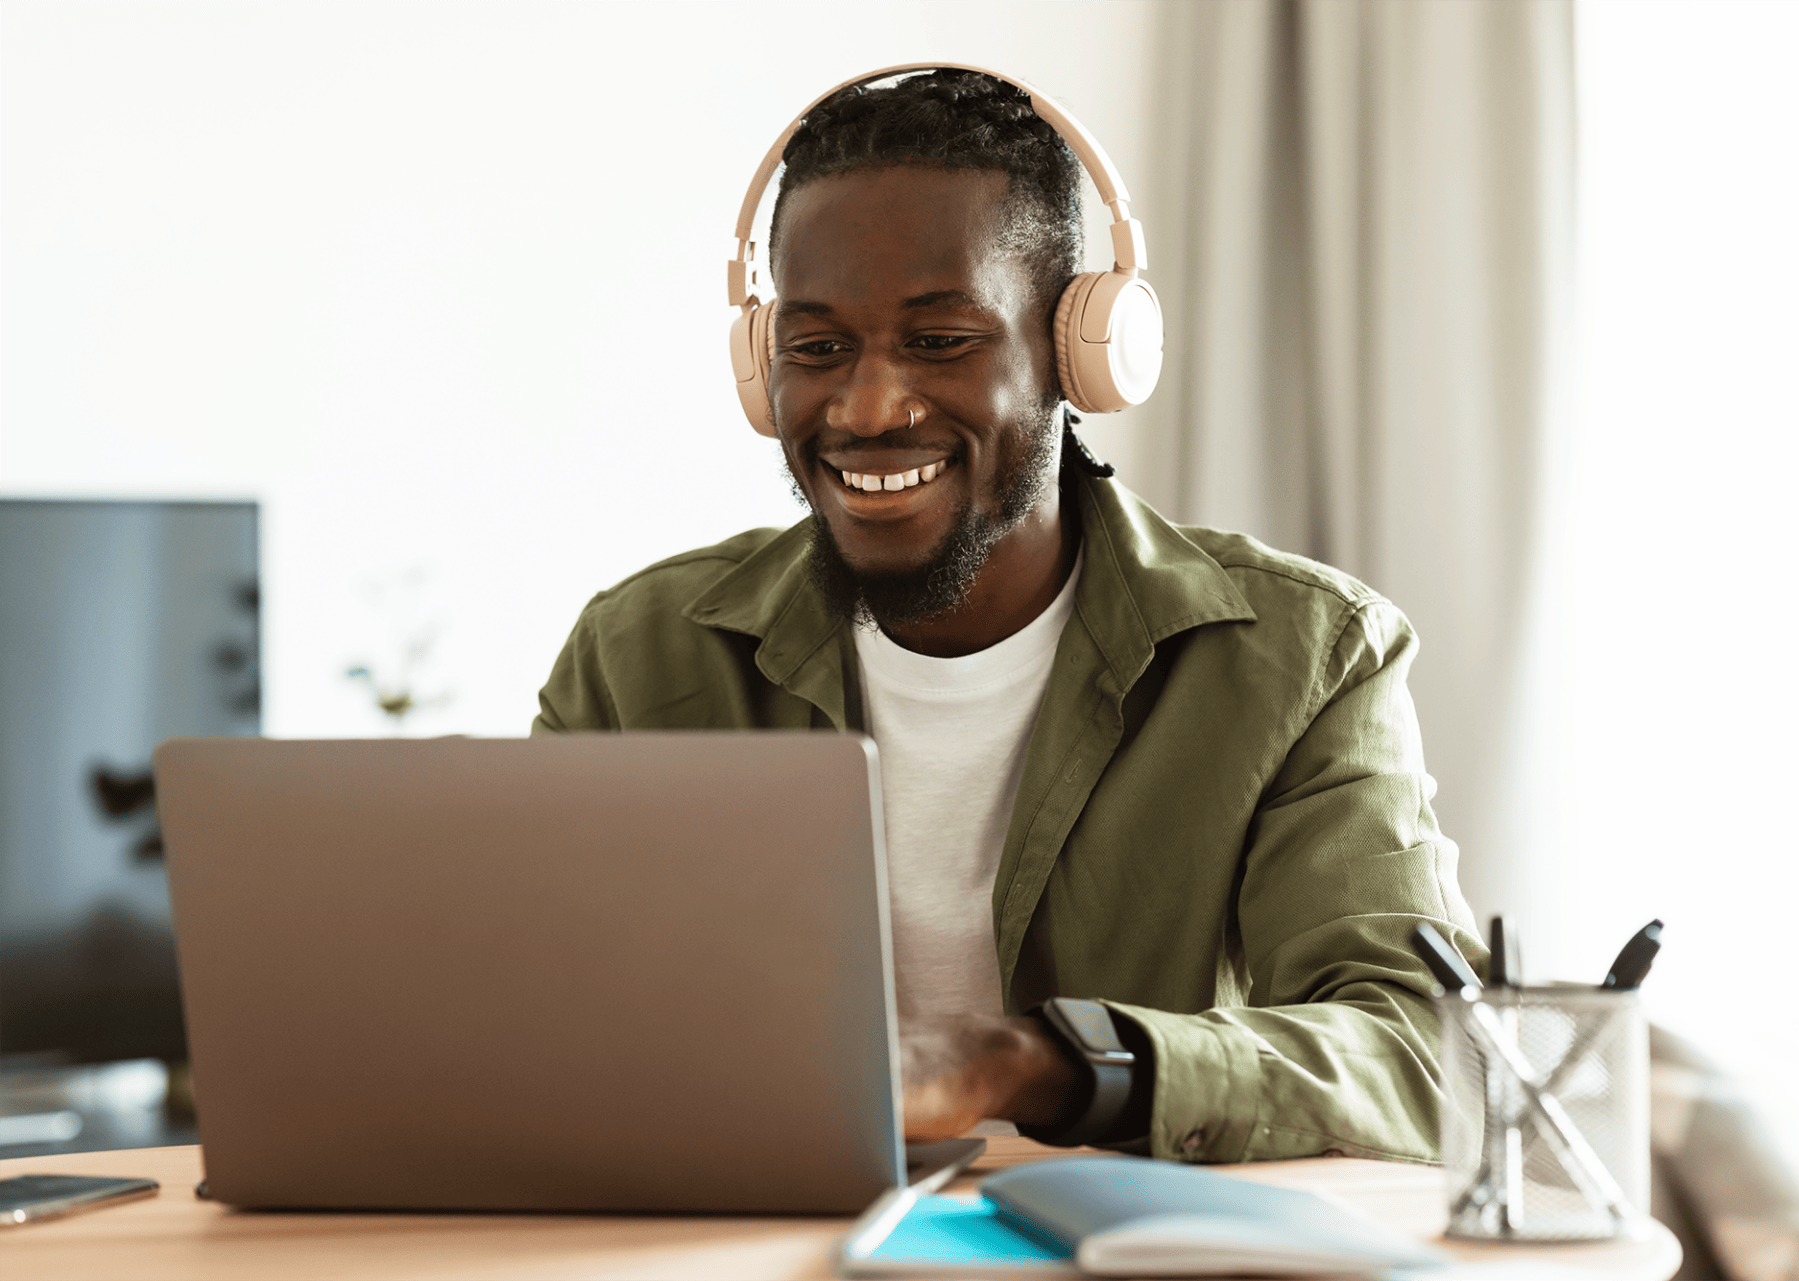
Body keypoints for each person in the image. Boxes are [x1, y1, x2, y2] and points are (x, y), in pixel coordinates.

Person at [534, 67, 1485, 1165]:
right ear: (762, 369)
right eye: (815, 346)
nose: (869, 406)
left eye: (941, 341)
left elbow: (1422, 1054)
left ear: (1081, 355)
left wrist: (1034, 1064)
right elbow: (527, 1014)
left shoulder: (1303, 658)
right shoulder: (637, 653)